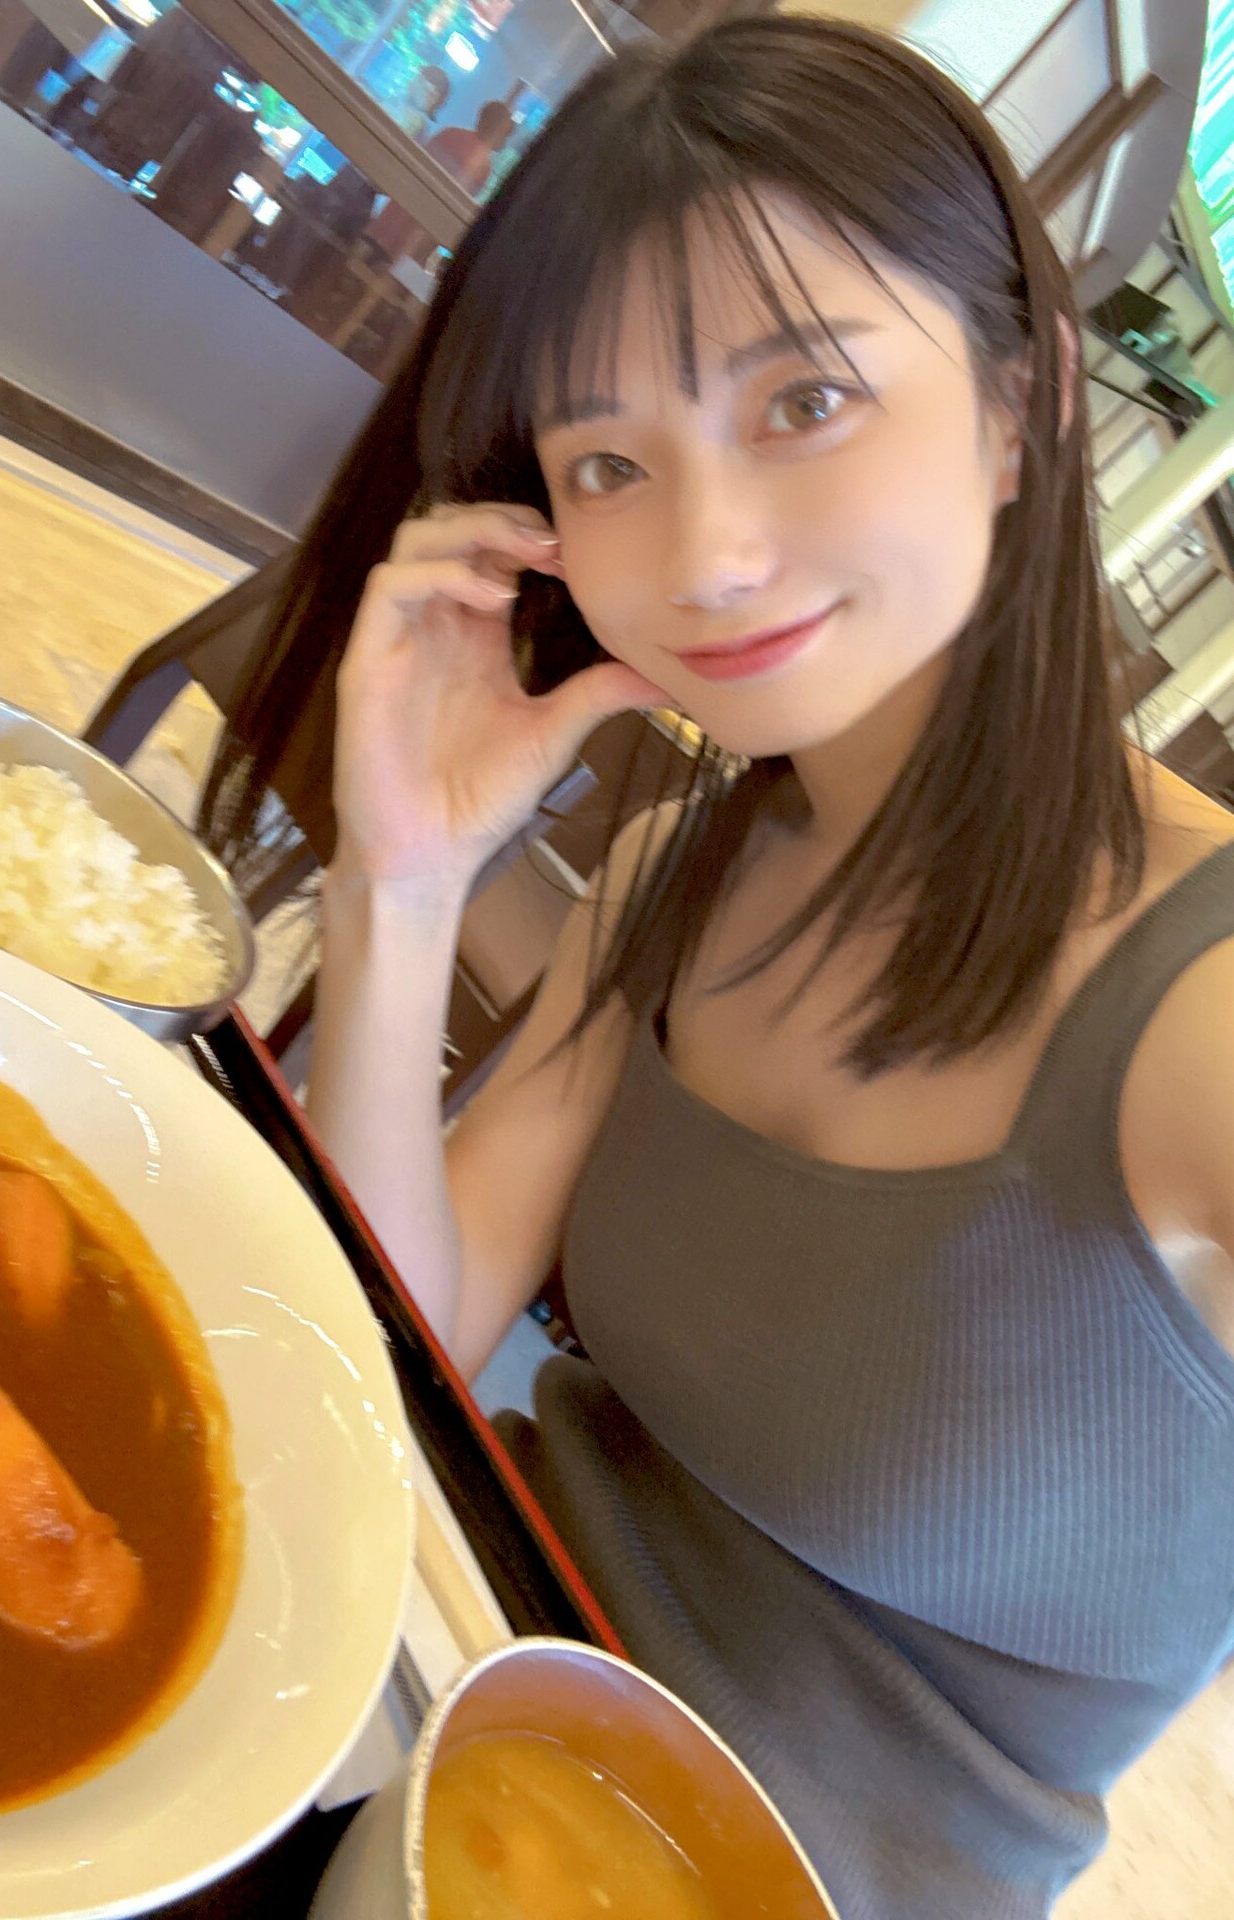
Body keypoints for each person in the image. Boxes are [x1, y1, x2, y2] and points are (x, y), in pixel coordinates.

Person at [203, 16, 1234, 1918]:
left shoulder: (1201, 1014)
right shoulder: (682, 873)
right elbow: (398, 1329)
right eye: (609, 459)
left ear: (1020, 406)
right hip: (432, 1726)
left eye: (804, 399)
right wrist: (406, 882)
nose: (706, 555)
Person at [363, 99, 516, 265]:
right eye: (504, 134)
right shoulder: (482, 167)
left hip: (395, 214)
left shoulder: (450, 134)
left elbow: (416, 166)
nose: (504, 141)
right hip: (413, 236)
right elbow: (450, 207)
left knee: (363, 254)